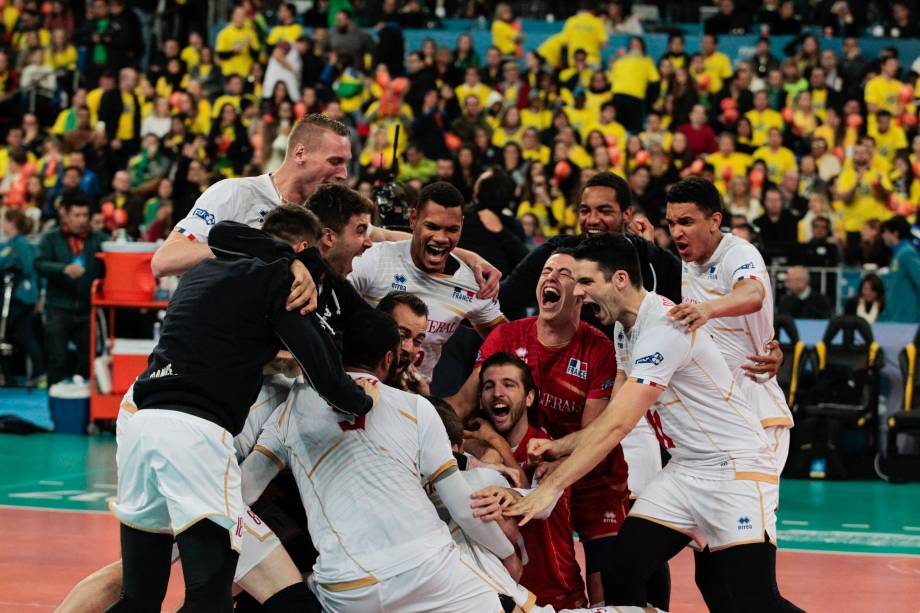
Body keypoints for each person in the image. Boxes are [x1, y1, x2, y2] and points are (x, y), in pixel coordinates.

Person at [506, 233, 803, 613]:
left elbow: (620, 425)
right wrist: (562, 446)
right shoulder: (623, 327)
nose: (577, 293)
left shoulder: (664, 327)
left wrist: (553, 487)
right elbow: (614, 410)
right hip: (685, 470)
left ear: (619, 280)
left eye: (585, 281)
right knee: (623, 570)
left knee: (754, 600)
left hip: (735, 470)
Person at [107, 205, 373, 613]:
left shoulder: (201, 273)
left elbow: (223, 233)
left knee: (139, 595)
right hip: (195, 435)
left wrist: (287, 259)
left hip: (143, 427)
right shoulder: (282, 280)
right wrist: (365, 400)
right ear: (305, 253)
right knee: (210, 596)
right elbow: (326, 376)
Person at [240, 311, 514, 612]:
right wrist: (508, 552)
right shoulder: (416, 407)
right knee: (508, 601)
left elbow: (243, 491)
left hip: (349, 589)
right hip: (429, 573)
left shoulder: (288, 411)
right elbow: (463, 507)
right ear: (387, 359)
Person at [449, 250, 649, 606]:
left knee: (610, 580)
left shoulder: (599, 349)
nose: (550, 278)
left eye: (564, 274)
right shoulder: (507, 337)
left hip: (591, 475)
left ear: (582, 292)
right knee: (532, 563)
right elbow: (463, 405)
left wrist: (545, 476)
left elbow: (594, 435)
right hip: (529, 466)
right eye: (545, 271)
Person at [348, 181, 508, 383]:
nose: (441, 238)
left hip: (415, 399)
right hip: (359, 386)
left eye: (452, 229)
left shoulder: (473, 285)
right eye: (432, 226)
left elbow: (508, 345)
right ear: (413, 219)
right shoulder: (376, 260)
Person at [464, 353, 588, 609]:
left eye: (509, 384)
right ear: (480, 399)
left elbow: (535, 504)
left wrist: (496, 443)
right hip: (501, 597)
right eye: (489, 386)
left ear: (529, 397)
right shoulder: (473, 450)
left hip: (556, 596)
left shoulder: (548, 450)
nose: (498, 392)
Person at [500, 172, 682, 322]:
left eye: (604, 211)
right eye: (585, 211)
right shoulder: (556, 253)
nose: (592, 220)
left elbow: (692, 304)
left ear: (627, 214)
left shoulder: (650, 257)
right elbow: (504, 299)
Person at [35, 198, 106, 385]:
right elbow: (39, 264)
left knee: (87, 360)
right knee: (57, 359)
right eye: (77, 215)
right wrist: (62, 269)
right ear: (65, 215)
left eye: (85, 215)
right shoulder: (51, 238)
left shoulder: (100, 239)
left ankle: (84, 409)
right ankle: (55, 410)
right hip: (58, 308)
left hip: (87, 309)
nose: (82, 220)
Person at [0, 208, 44, 386]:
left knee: (24, 335)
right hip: (8, 298)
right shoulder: (7, 245)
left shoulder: (22, 244)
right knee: (8, 335)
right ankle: (7, 376)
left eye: (4, 221)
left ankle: (39, 373)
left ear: (12, 223)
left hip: (21, 297)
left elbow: (27, 268)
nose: (3, 225)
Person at [376, 290, 430, 394]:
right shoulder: (342, 377)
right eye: (402, 336)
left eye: (417, 341)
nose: (408, 349)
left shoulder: (415, 395)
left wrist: (423, 401)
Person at [880, 216, 920, 323]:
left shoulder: (907, 254)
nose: (883, 235)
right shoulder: (898, 255)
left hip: (907, 319)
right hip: (895, 318)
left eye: (885, 232)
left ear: (895, 233)